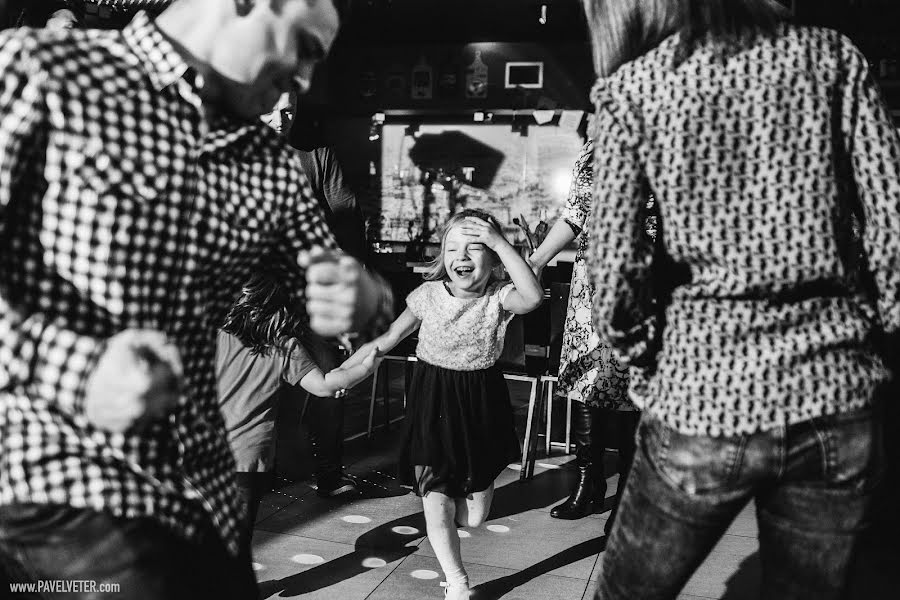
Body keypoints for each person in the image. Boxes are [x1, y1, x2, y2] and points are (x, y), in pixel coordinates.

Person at [0, 1, 393, 598]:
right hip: (64, 490)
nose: (308, 81)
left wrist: (360, 296)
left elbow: (330, 278)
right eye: (306, 47)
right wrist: (80, 370)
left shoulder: (272, 162)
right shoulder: (41, 70)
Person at [582, 0, 900, 599]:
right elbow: (893, 227)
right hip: (832, 390)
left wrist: (646, 359)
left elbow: (614, 267)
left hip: (702, 391)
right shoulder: (833, 57)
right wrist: (868, 341)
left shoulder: (636, 86)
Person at [344, 209, 544, 600]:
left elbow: (534, 297)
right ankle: (457, 581)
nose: (462, 256)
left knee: (472, 516)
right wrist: (346, 373)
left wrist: (503, 243)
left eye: (475, 247)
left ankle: (471, 495)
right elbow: (386, 340)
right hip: (431, 401)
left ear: (494, 259)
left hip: (479, 404)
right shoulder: (426, 295)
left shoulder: (498, 298)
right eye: (452, 247)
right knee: (435, 499)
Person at [216, 271, 380, 556]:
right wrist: (367, 365)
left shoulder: (216, 339)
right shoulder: (285, 347)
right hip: (249, 459)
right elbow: (325, 387)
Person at [528, 138, 639, 528]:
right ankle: (588, 482)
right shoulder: (595, 144)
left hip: (643, 275)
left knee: (631, 384)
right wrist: (537, 259)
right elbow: (576, 213)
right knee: (586, 377)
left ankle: (629, 494)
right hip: (590, 277)